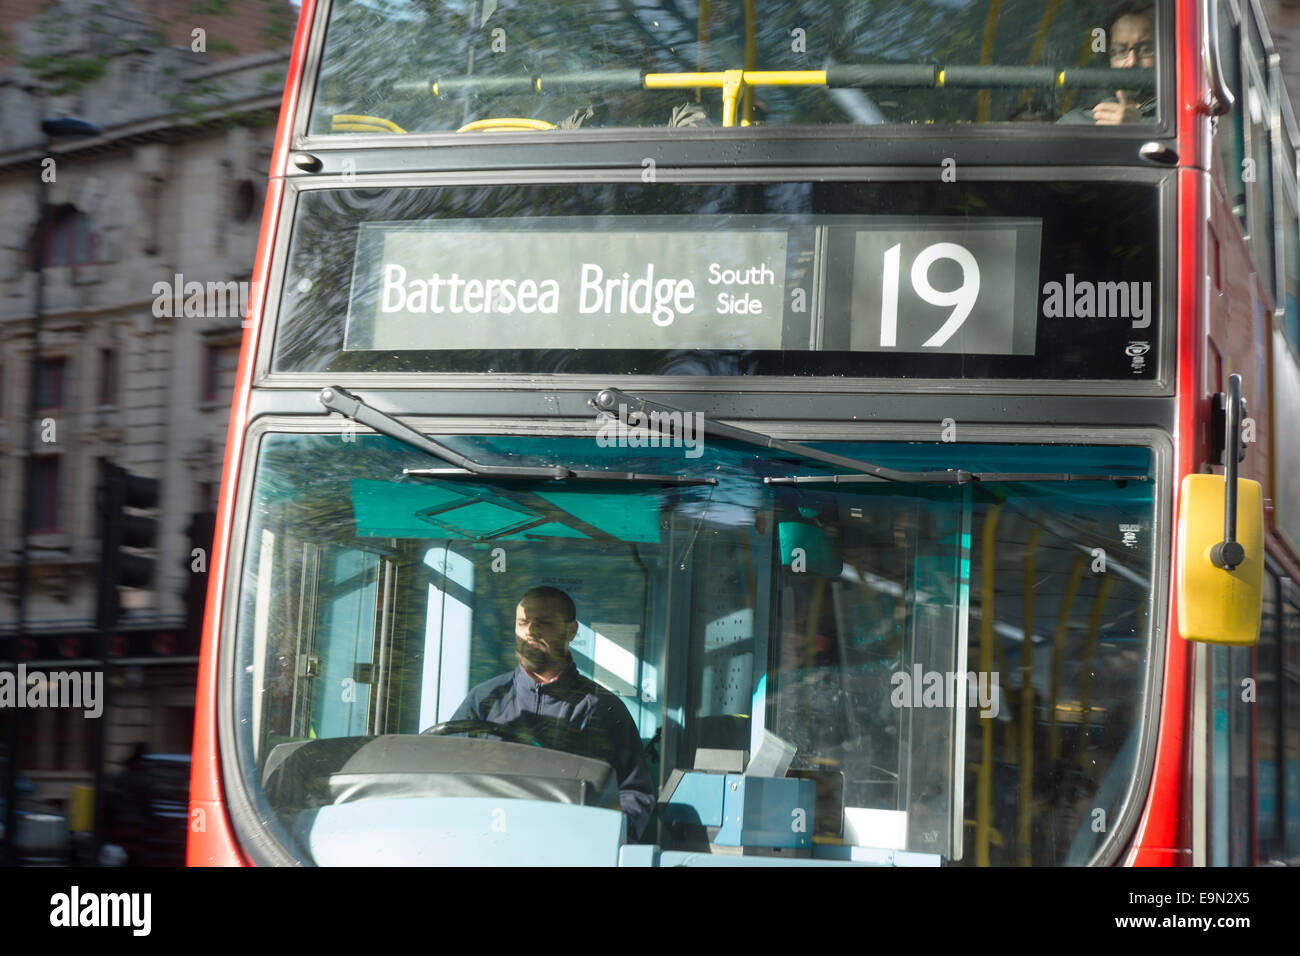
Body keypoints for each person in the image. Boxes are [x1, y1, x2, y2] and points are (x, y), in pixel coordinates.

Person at [449, 586, 655, 840]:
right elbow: (445, 777)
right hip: (485, 843)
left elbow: (634, 793)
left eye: (543, 623)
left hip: (566, 848)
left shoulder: (602, 709)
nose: (530, 631)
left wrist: (602, 845)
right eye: (523, 622)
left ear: (571, 631)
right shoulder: (484, 700)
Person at [1060, 3, 1156, 125]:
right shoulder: (1074, 123)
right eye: (1121, 51)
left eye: (1146, 50)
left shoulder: (1180, 121)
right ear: (1109, 58)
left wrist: (1138, 129)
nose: (1131, 62)